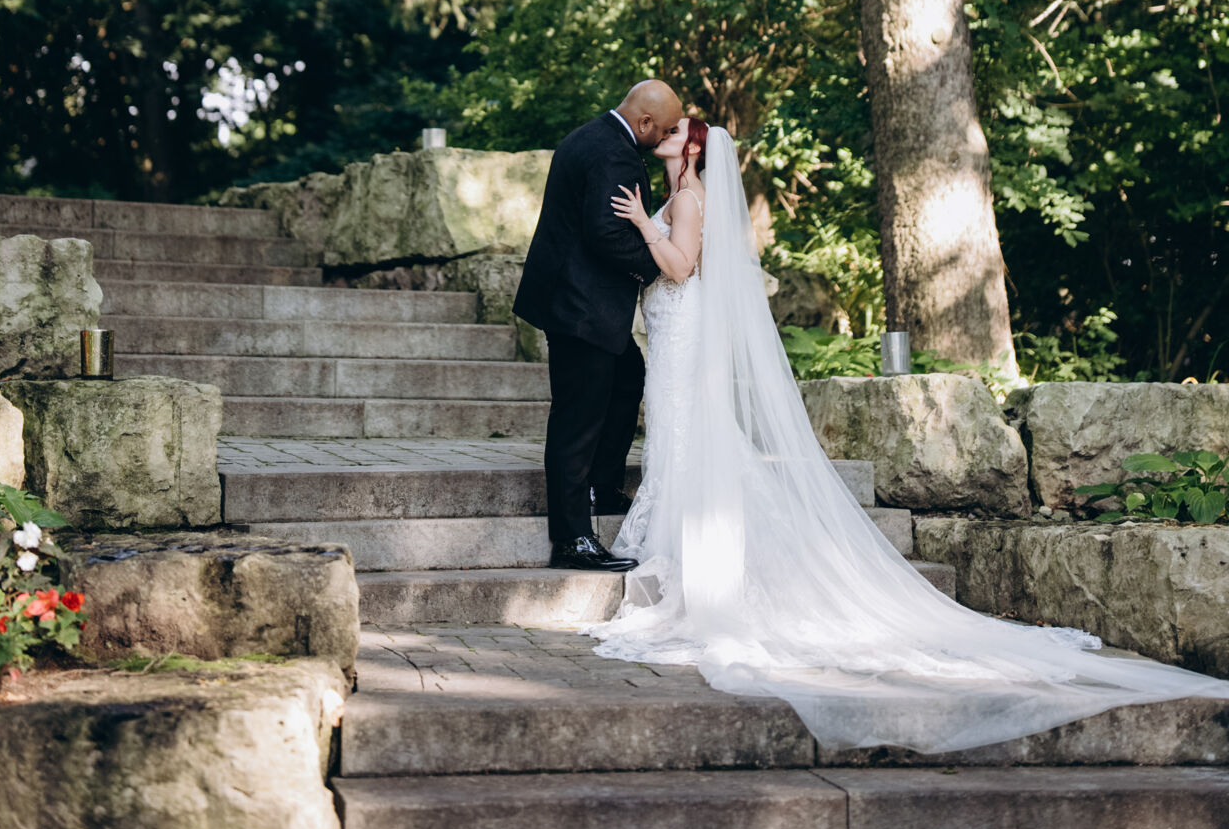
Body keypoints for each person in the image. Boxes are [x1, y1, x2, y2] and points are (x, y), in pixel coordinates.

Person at [599, 117, 1229, 754]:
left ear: (695, 147)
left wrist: (643, 224)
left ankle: (703, 569)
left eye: (676, 129)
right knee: (684, 442)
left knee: (688, 441)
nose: (666, 133)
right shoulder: (684, 196)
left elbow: (681, 267)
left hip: (682, 337)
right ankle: (695, 555)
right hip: (676, 337)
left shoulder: (686, 199)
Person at [514, 80, 685, 572]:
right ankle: (572, 539)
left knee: (627, 377)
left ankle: (603, 487)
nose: (666, 137)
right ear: (644, 122)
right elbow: (607, 233)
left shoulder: (589, 136)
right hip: (581, 307)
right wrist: (657, 269)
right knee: (577, 419)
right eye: (664, 129)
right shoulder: (616, 154)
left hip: (575, 300)